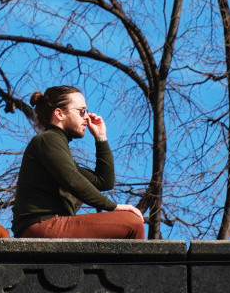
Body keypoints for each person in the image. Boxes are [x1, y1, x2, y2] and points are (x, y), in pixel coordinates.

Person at [11, 85, 145, 239]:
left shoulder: (56, 146)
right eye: (82, 111)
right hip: (41, 226)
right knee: (132, 222)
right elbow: (73, 181)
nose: (87, 117)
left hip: (52, 224)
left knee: (131, 222)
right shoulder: (47, 140)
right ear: (59, 114)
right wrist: (114, 207)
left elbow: (103, 182)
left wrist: (101, 138)